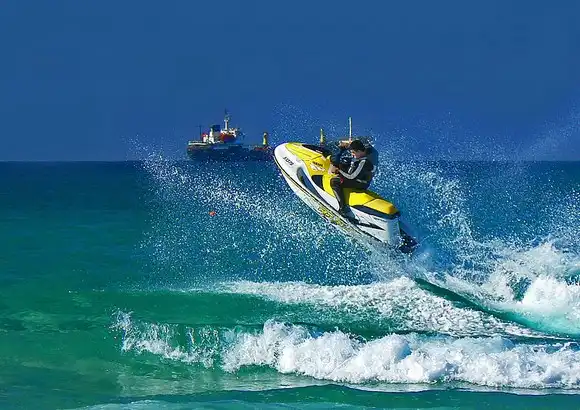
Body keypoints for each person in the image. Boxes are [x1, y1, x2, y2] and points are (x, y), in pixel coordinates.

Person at [329, 139, 376, 216]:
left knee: (334, 181)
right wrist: (343, 148)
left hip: (360, 183)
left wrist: (338, 171)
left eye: (353, 152)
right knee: (341, 162)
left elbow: (351, 177)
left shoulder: (364, 162)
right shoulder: (359, 156)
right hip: (355, 178)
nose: (352, 154)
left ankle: (342, 208)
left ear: (359, 151)